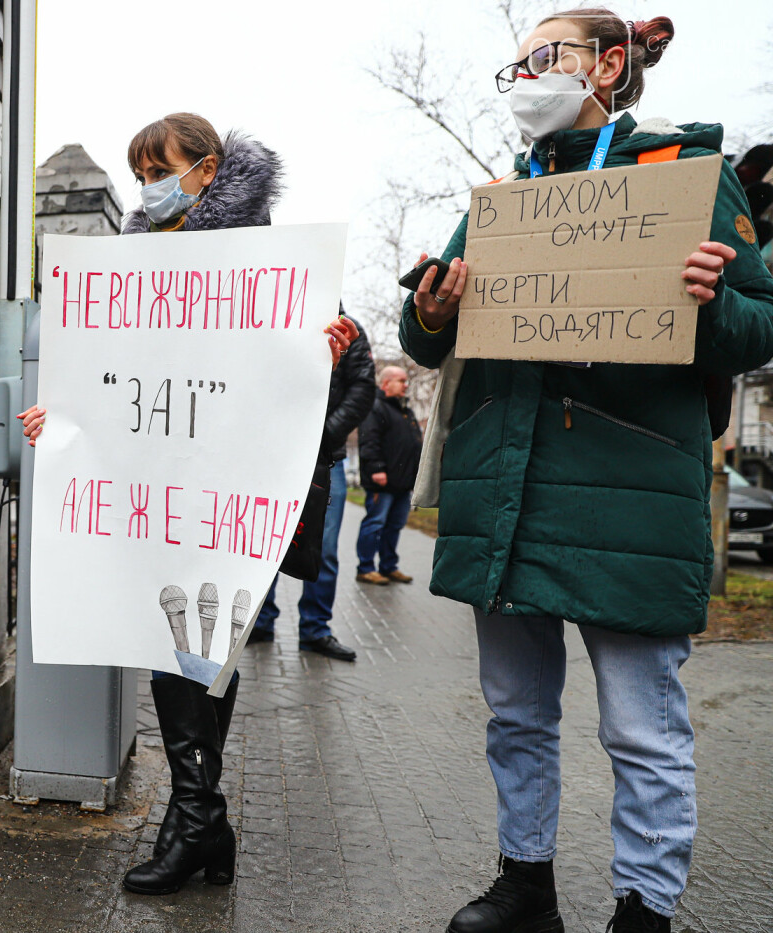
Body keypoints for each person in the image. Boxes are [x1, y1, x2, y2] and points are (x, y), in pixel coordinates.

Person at [400, 11, 773, 933]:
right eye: (516, 63)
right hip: (509, 490)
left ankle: (644, 910)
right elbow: (423, 334)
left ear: (610, 63)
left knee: (641, 729)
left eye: (547, 57)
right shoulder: (504, 200)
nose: (527, 75)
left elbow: (760, 323)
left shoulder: (686, 177)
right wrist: (433, 308)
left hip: (629, 496)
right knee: (515, 713)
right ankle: (525, 884)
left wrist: (713, 299)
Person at [18, 113, 357, 897]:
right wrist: (58, 417)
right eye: (138, 175)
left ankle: (197, 821)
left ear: (207, 170)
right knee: (179, 647)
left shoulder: (275, 267)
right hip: (163, 493)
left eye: (158, 169)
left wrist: (322, 368)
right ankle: (201, 821)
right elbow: (110, 383)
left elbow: (345, 379)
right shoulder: (134, 267)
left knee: (204, 648)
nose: (148, 188)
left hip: (235, 495)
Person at [246, 313, 375, 661]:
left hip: (324, 457)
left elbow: (363, 390)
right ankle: (258, 622)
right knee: (264, 542)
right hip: (274, 453)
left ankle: (315, 629)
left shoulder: (351, 329)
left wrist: (320, 436)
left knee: (325, 548)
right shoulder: (278, 317)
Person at [354, 365, 422, 586]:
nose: (406, 384)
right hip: (382, 482)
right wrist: (376, 469)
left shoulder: (405, 410)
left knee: (394, 526)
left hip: (403, 483)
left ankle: (388, 566)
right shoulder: (375, 407)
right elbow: (369, 440)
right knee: (374, 524)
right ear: (385, 384)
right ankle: (365, 569)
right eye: (401, 380)